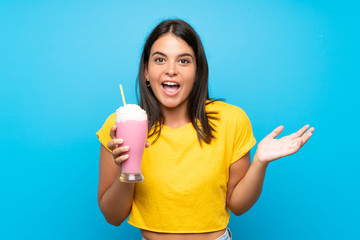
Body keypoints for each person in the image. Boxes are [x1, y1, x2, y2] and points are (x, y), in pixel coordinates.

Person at [96, 19, 314, 240]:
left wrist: (260, 162)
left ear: (198, 71)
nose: (171, 70)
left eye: (183, 61)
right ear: (146, 71)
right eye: (160, 59)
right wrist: (127, 168)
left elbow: (238, 206)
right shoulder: (120, 125)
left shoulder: (231, 120)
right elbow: (113, 217)